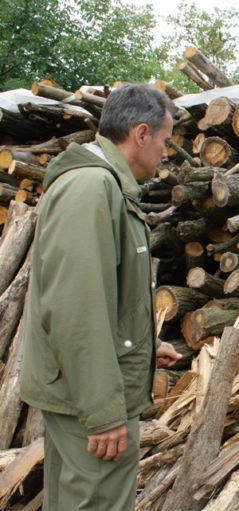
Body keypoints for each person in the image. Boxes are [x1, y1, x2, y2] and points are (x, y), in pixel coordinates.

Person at [20, 84, 182, 511]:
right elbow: (75, 306)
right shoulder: (92, 188)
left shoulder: (106, 185)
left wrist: (146, 347)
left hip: (89, 389)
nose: (167, 152)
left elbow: (108, 296)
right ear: (142, 134)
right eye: (165, 140)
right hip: (89, 399)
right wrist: (102, 413)